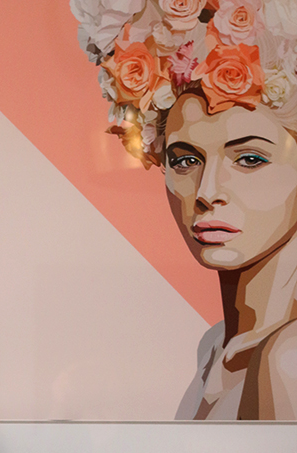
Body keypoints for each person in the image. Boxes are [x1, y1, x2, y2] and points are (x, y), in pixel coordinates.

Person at [71, 0, 297, 419]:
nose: (207, 192)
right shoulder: (215, 346)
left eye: (249, 159)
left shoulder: (286, 358)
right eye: (185, 160)